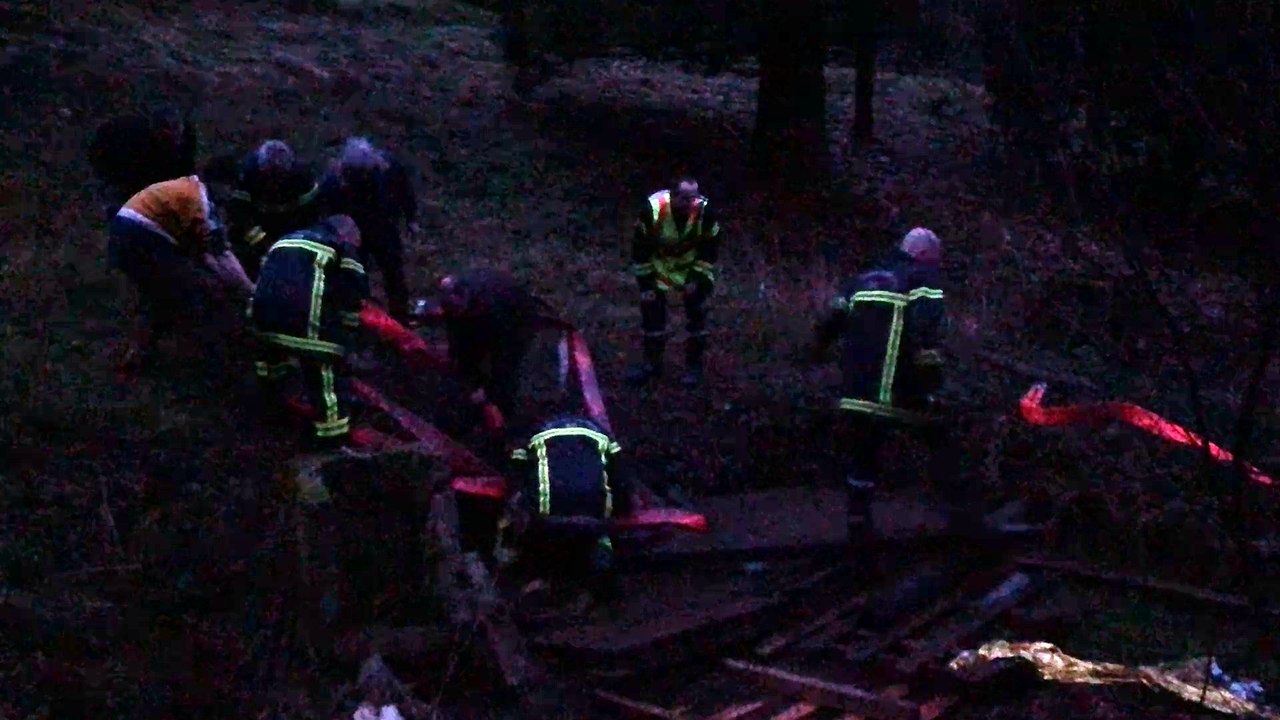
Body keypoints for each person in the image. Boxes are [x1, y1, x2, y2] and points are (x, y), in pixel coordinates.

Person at [809, 227, 980, 539]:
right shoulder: (923, 280)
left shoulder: (862, 280)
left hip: (857, 391)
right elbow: (925, 333)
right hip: (899, 390)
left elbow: (830, 322)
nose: (937, 265)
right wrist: (933, 384)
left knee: (863, 455)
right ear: (924, 254)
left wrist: (816, 358)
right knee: (941, 440)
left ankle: (858, 524)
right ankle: (963, 517)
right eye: (936, 258)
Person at [108, 175, 254, 371]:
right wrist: (250, 290)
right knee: (199, 292)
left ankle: (139, 352)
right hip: (143, 233)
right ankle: (211, 353)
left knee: (155, 296)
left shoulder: (186, 190)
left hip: (125, 230)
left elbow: (204, 254)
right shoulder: (201, 201)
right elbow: (221, 255)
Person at [249, 215, 370, 449]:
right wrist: (348, 336)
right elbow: (353, 293)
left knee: (273, 367)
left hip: (263, 322)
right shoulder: (341, 246)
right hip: (306, 325)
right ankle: (332, 437)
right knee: (325, 371)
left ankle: (273, 411)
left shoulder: (285, 241)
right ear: (348, 235)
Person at [498, 414, 631, 601]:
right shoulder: (602, 434)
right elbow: (621, 478)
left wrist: (519, 506)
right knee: (599, 538)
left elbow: (514, 474)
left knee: (521, 523)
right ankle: (603, 574)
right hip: (594, 517)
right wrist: (623, 511)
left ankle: (522, 570)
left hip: (546, 518)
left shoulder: (534, 433)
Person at [434, 268, 563, 429]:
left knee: (505, 373)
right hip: (486, 319)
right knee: (467, 363)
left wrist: (488, 392)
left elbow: (505, 355)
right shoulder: (454, 306)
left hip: (517, 321)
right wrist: (471, 379)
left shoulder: (494, 309)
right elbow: (460, 344)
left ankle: (504, 416)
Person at [626, 176, 723, 388]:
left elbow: (710, 250)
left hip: (692, 267)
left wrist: (696, 279)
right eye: (685, 198)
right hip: (658, 267)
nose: (691, 203)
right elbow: (640, 249)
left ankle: (693, 368)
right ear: (673, 196)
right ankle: (652, 365)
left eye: (694, 198)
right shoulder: (653, 210)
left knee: (697, 316)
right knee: (652, 318)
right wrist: (646, 284)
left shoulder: (706, 212)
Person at [317, 137, 420, 323]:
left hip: (384, 227)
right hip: (352, 233)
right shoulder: (335, 180)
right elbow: (325, 208)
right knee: (355, 274)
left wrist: (411, 218)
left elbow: (405, 191)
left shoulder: (389, 168)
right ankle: (360, 316)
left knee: (394, 272)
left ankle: (400, 316)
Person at [225, 140, 324, 275]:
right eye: (271, 175)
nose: (275, 182)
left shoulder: (303, 178)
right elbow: (240, 218)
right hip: (257, 224)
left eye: (280, 175)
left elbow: (311, 214)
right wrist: (264, 243)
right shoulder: (247, 176)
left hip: (292, 224)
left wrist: (294, 241)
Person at [88, 106, 197, 218]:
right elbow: (128, 177)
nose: (174, 140)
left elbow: (184, 173)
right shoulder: (132, 140)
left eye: (177, 133)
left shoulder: (186, 141)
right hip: (117, 169)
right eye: (165, 137)